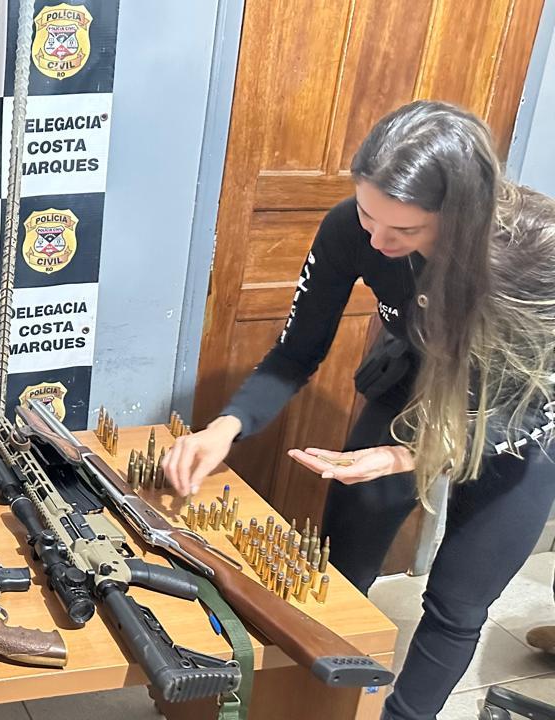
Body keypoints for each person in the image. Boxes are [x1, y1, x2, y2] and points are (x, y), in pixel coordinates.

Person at [162, 100, 555, 720]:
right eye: (369, 215)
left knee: (458, 603)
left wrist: (409, 456)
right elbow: (297, 351)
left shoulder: (537, 252)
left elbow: (537, 407)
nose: (377, 241)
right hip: (409, 390)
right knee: (341, 570)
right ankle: (316, 706)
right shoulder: (351, 226)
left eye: (405, 232)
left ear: (463, 218)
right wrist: (225, 427)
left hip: (516, 417)